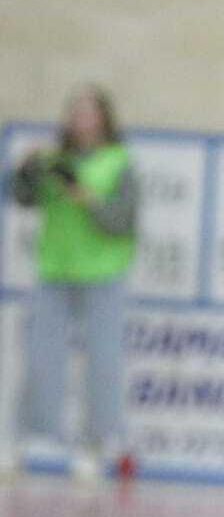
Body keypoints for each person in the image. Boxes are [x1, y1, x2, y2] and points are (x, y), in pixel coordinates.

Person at [6, 85, 139, 482]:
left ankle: (93, 445)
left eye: (87, 111)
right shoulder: (53, 159)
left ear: (103, 118)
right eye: (73, 110)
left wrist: (85, 196)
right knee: (40, 358)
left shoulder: (118, 163)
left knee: (102, 363)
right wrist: (26, 172)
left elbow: (122, 222)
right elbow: (21, 196)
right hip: (55, 270)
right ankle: (21, 439)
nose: (79, 119)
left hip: (103, 273)